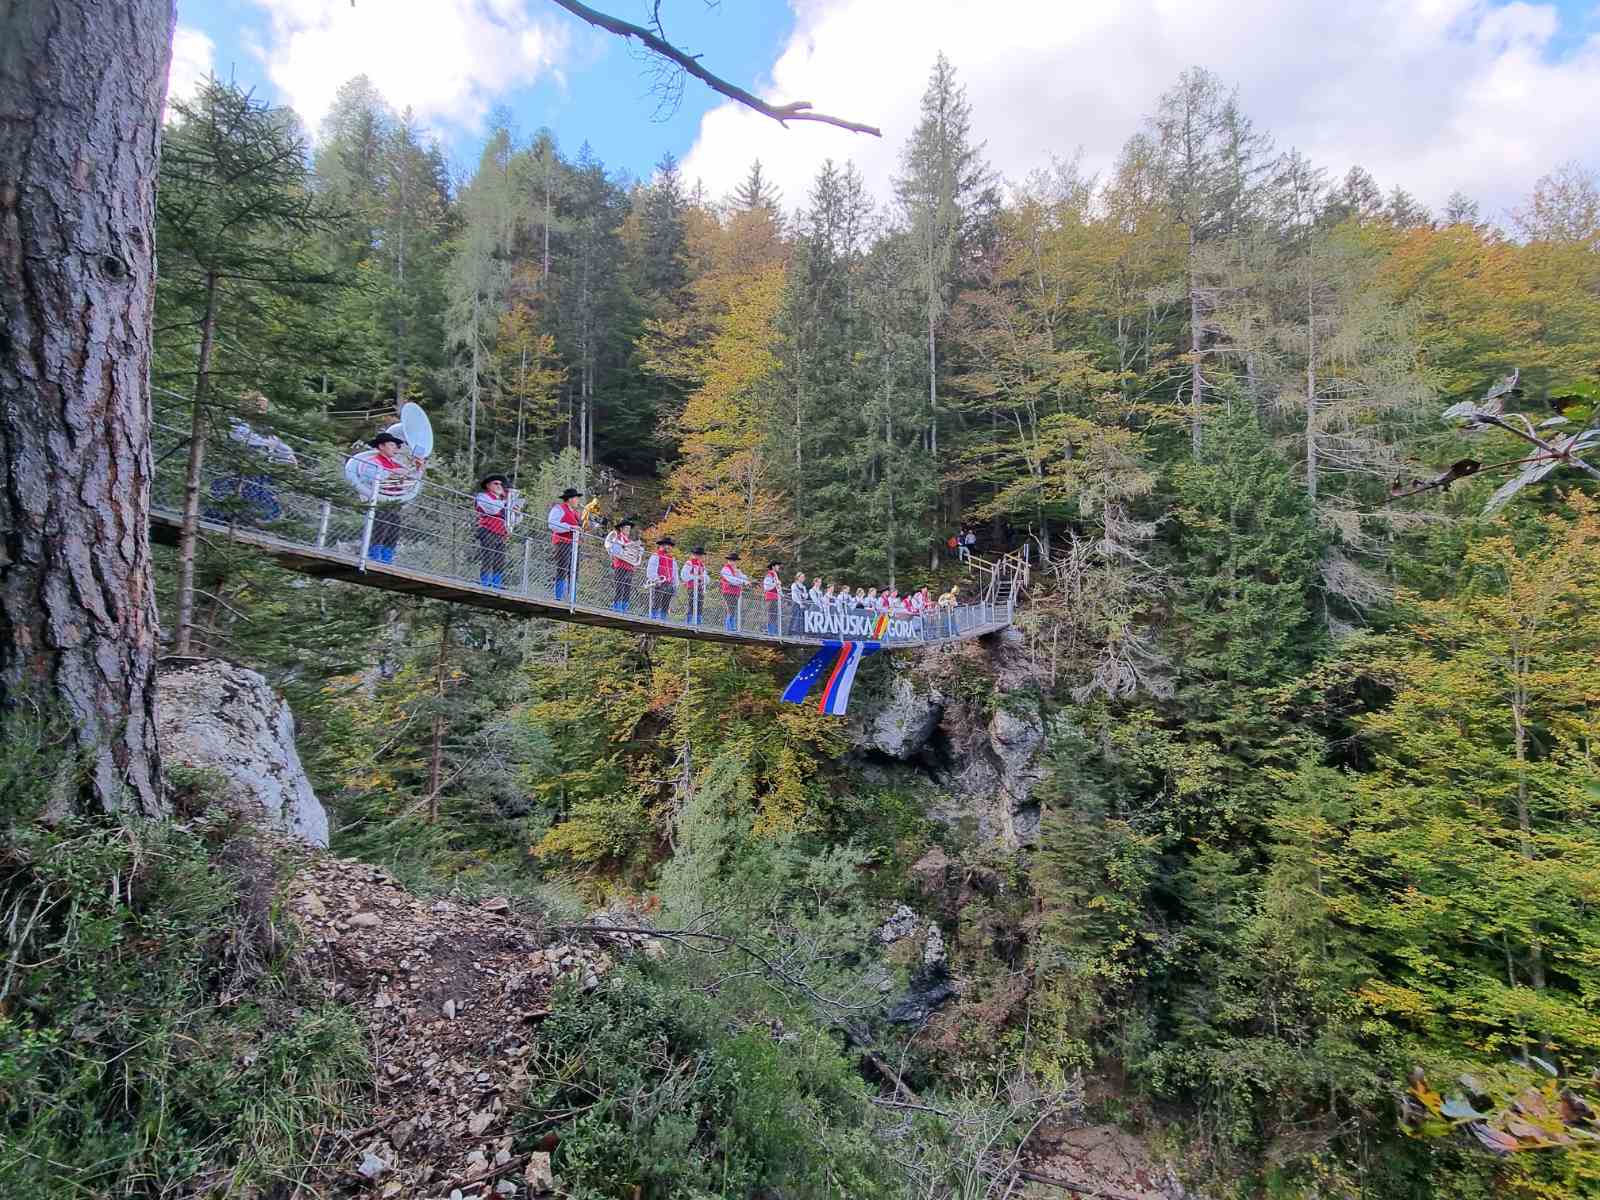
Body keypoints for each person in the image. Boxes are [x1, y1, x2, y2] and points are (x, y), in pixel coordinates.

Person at [208, 392, 298, 524]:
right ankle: (217, 520)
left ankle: (247, 523)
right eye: (259, 406)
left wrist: (290, 456)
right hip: (238, 468)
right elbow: (242, 438)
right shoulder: (237, 421)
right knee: (229, 497)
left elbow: (278, 444)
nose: (262, 410)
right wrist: (267, 443)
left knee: (261, 500)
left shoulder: (265, 427)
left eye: (264, 407)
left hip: (258, 471)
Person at [345, 432, 408, 563]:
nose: (395, 448)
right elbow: (369, 477)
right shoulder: (373, 462)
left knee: (394, 527)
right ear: (381, 446)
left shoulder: (395, 465)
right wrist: (392, 474)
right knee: (381, 524)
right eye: (392, 445)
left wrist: (417, 469)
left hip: (393, 500)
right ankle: (374, 555)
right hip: (378, 499)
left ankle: (387, 557)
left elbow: (408, 480)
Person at [547, 487, 583, 600]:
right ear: (570, 499)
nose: (578, 501)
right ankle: (559, 597)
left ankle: (571, 597)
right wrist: (570, 527)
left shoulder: (576, 513)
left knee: (574, 571)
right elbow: (552, 524)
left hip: (575, 545)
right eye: (577, 498)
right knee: (562, 568)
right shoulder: (559, 509)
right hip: (562, 542)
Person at [474, 474, 510, 588]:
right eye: (496, 483)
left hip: (501, 533)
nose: (499, 486)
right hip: (488, 530)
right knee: (488, 557)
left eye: (500, 484)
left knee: (500, 561)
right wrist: (505, 502)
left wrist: (515, 511)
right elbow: (493, 509)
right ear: (488, 486)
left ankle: (496, 583)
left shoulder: (502, 502)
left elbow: (512, 520)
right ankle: (484, 582)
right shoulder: (483, 497)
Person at [603, 517, 638, 612]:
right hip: (620, 566)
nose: (628, 531)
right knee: (619, 587)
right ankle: (617, 607)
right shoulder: (617, 538)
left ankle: (624, 609)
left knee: (627, 589)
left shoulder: (630, 542)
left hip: (629, 567)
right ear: (621, 529)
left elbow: (635, 555)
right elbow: (615, 550)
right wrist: (625, 548)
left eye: (629, 529)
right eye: (626, 528)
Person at [646, 537, 677, 619]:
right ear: (662, 545)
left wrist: (675, 584)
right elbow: (651, 569)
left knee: (666, 603)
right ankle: (653, 617)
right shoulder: (656, 555)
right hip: (659, 582)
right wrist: (655, 579)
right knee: (656, 600)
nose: (670, 547)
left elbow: (674, 574)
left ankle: (663, 618)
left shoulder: (672, 559)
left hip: (669, 583)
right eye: (668, 545)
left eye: (670, 546)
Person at [719, 552, 750, 631]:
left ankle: (732, 626)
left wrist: (746, 582)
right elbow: (731, 580)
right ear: (728, 560)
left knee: (733, 609)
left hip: (736, 592)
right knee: (730, 608)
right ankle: (729, 626)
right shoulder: (725, 569)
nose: (733, 562)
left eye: (735, 560)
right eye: (732, 560)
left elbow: (744, 577)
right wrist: (742, 581)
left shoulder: (737, 570)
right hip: (728, 591)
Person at [680, 546, 709, 625]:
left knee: (700, 605)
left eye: (700, 555)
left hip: (700, 588)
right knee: (691, 603)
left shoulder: (702, 565)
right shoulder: (689, 563)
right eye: (697, 554)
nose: (699, 556)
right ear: (694, 554)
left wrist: (704, 578)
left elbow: (707, 578)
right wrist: (697, 577)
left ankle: (698, 622)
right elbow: (684, 575)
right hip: (692, 587)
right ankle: (689, 622)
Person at [761, 561, 783, 635]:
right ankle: (767, 630)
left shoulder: (775, 575)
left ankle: (772, 631)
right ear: (773, 567)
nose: (779, 567)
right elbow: (766, 586)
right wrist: (775, 583)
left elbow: (778, 588)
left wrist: (781, 594)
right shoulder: (769, 575)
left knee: (774, 615)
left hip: (775, 597)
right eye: (777, 566)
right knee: (770, 614)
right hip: (770, 597)